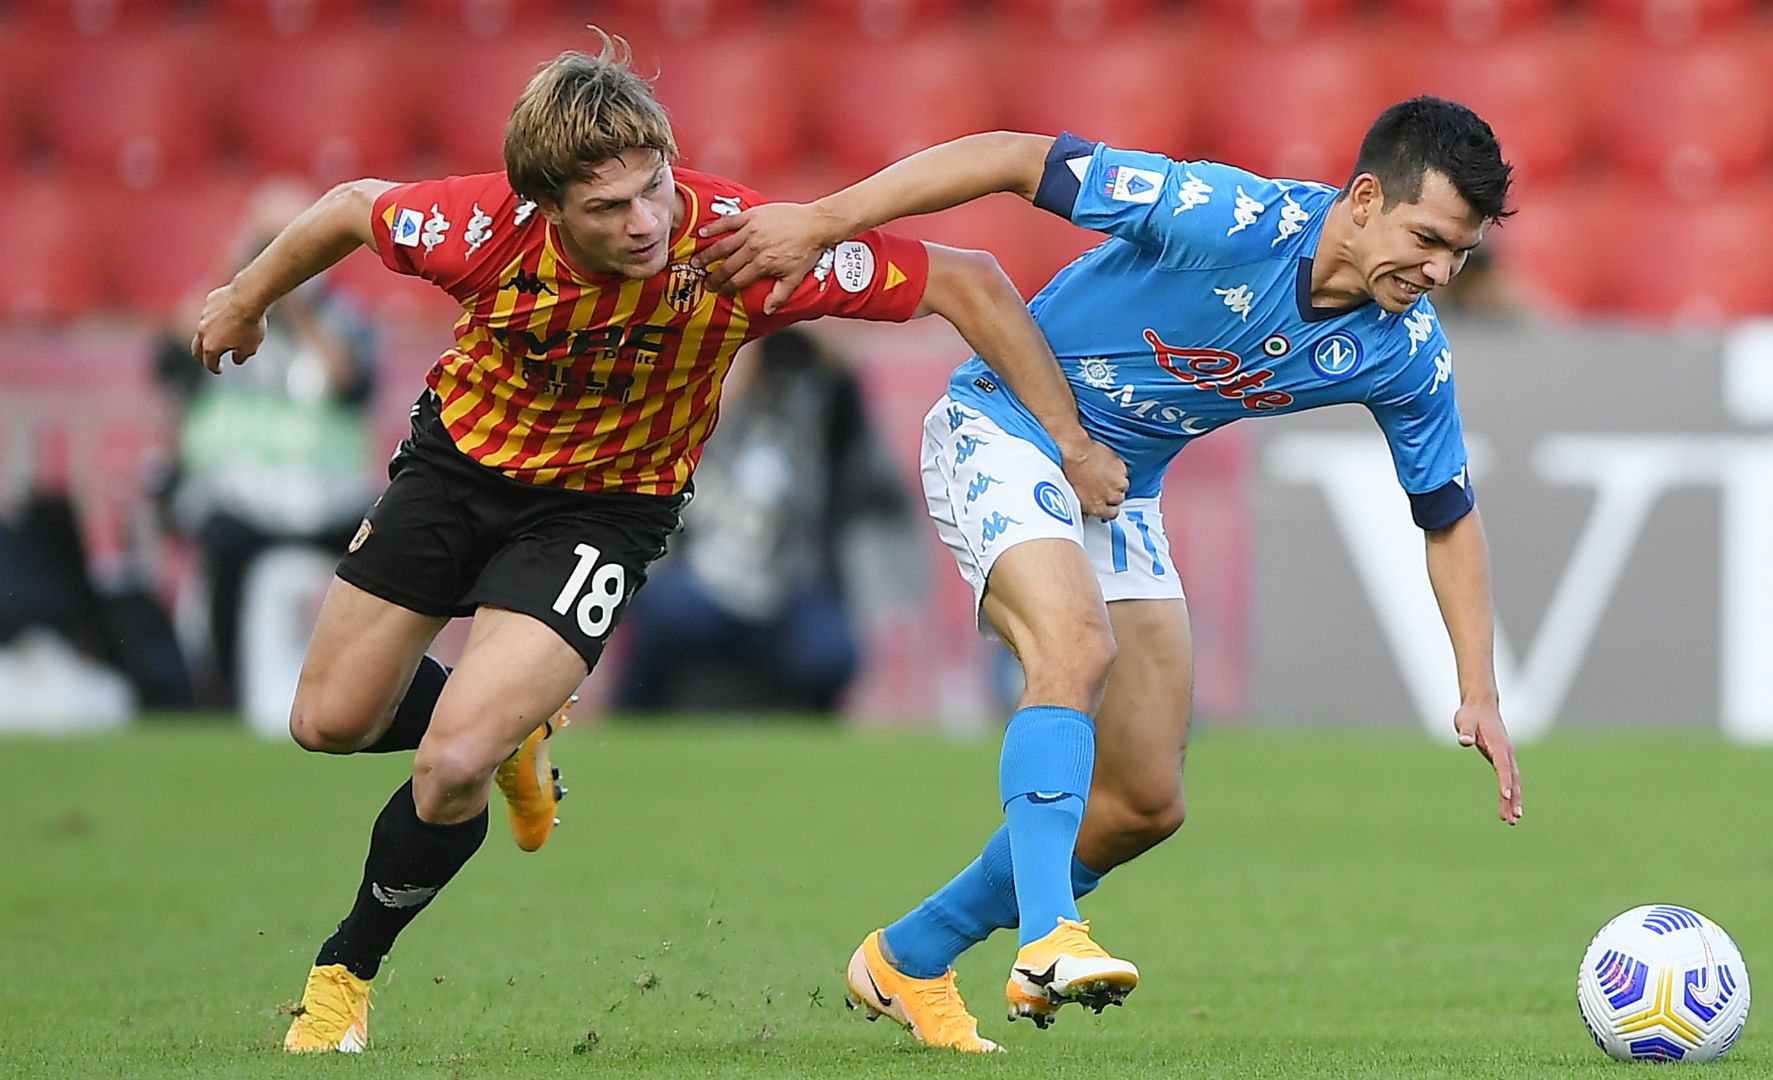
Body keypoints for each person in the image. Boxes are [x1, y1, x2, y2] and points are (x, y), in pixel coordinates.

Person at [190, 29, 1121, 1055]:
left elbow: (970, 279)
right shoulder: (473, 227)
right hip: (455, 473)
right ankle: (516, 727)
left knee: (451, 762)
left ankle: (343, 978)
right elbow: (346, 207)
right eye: (609, 208)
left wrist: (1071, 443)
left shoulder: (735, 247)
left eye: (655, 189)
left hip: (604, 511)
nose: (645, 223)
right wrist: (245, 300)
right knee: (326, 721)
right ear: (546, 208)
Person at [696, 97, 1526, 1051]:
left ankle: (908, 958)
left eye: (1459, 255)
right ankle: (1051, 937)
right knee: (1076, 649)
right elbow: (1014, 157)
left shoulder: (1405, 351)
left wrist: (1478, 688)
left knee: (1143, 802)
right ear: (1367, 198)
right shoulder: (1226, 217)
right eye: (1427, 240)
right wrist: (826, 218)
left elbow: (1448, 515)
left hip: (1117, 490)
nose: (1439, 273)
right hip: (1004, 426)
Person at [156, 178, 379, 708]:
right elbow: (170, 359)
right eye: (267, 241)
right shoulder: (218, 311)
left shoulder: (344, 317)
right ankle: (221, 693)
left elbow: (353, 383)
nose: (277, 253)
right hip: (235, 495)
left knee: (385, 556)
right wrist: (236, 283)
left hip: (326, 497)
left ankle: (366, 690)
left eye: (290, 240)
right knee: (225, 554)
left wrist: (296, 301)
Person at [617, 327, 912, 713]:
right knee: (659, 615)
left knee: (830, 654)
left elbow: (862, 464)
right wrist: (736, 372)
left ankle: (810, 726)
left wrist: (833, 367)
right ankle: (632, 716)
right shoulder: (719, 400)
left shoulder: (826, 408)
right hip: (709, 579)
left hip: (794, 587)